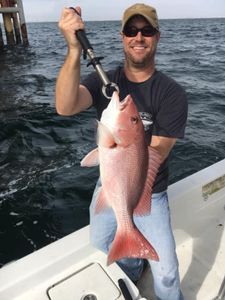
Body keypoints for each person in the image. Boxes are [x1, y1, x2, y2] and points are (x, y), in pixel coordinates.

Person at [56, 3, 187, 300]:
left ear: (157, 37)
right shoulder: (106, 80)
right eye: (131, 30)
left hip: (150, 192)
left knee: (166, 271)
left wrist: (119, 142)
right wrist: (74, 49)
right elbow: (64, 107)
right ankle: (131, 264)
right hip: (112, 182)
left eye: (147, 31)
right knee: (102, 245)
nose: (138, 37)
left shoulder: (172, 92)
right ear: (122, 36)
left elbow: (159, 151)